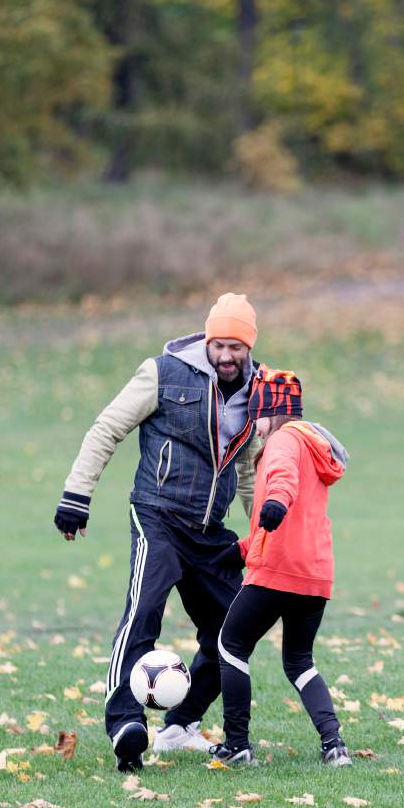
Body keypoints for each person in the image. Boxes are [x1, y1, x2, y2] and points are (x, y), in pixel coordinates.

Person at [53, 293, 263, 772]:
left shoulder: (259, 388)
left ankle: (181, 724)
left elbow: (250, 471)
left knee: (236, 627)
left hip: (212, 532)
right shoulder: (162, 372)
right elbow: (106, 428)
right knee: (143, 613)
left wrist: (262, 540)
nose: (227, 356)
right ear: (208, 340)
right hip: (158, 515)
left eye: (237, 347)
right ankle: (125, 724)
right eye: (219, 345)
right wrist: (76, 496)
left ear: (249, 346)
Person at [208, 367, 351, 768]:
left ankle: (236, 743)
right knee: (299, 661)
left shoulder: (285, 440)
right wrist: (239, 551)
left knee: (231, 645)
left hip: (278, 571)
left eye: (256, 417)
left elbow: (282, 484)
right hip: (315, 573)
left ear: (269, 413)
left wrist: (274, 503)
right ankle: (333, 744)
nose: (255, 427)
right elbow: (289, 524)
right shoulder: (311, 445)